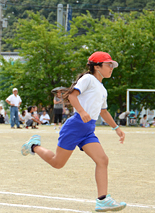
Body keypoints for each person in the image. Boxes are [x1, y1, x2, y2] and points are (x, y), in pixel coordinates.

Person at [21, 51, 126, 212]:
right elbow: (72, 96)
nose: (112, 68)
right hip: (76, 125)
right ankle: (34, 146)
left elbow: (103, 111)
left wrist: (116, 128)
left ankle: (102, 200)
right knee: (57, 163)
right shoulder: (88, 79)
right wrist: (82, 111)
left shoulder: (103, 89)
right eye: (108, 64)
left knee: (103, 160)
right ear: (97, 67)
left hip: (88, 130)